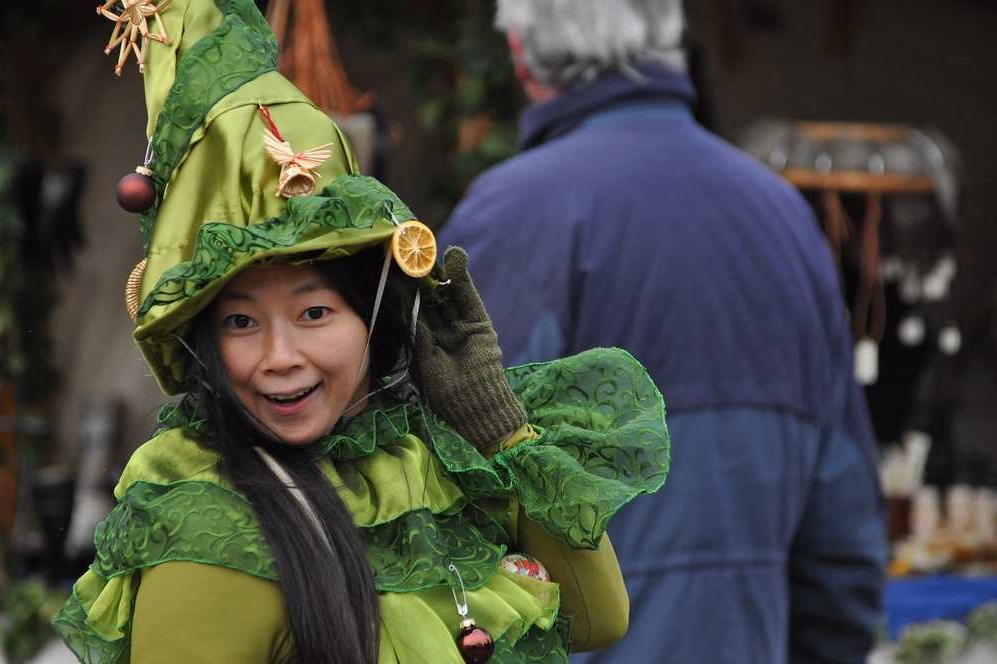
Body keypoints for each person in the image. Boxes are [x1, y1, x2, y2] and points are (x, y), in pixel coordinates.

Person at [52, 1, 671, 662]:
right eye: (240, 322)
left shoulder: (425, 467)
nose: (279, 359)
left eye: (315, 312)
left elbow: (596, 615)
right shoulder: (209, 527)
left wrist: (493, 421)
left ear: (372, 315)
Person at [438, 0, 888, 662]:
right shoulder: (783, 216)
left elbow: (453, 493)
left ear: (521, 59)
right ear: (671, 42)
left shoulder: (514, 216)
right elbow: (842, 529)